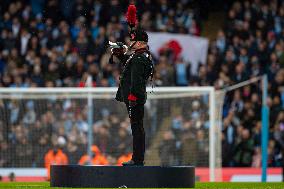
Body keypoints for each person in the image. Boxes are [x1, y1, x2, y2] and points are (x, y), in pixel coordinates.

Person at [110, 5, 153, 166]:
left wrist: (133, 97)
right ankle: (137, 159)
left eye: (134, 40)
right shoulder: (140, 57)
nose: (131, 43)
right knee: (137, 128)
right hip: (134, 97)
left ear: (141, 43)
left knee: (137, 128)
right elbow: (130, 67)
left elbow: (136, 80)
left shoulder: (139, 58)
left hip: (134, 98)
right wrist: (120, 55)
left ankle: (137, 159)